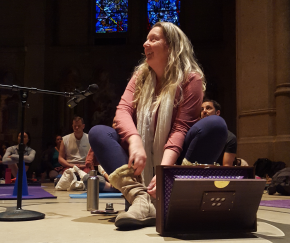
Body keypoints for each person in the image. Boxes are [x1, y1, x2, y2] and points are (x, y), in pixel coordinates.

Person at [88, 22, 227, 228]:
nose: (145, 44)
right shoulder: (140, 77)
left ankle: (174, 194)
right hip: (139, 167)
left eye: (153, 39)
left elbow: (181, 128)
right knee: (99, 132)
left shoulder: (191, 79)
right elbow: (122, 111)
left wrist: (164, 173)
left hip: (174, 163)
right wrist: (134, 141)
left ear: (171, 46)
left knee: (215, 125)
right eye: (146, 39)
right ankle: (141, 199)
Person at [200, 98, 237, 166]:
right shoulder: (197, 134)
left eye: (208, 108)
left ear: (217, 113)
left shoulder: (230, 137)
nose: (204, 111)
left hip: (217, 174)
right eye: (202, 109)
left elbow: (226, 168)